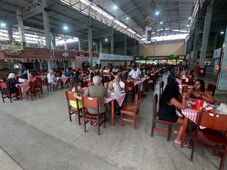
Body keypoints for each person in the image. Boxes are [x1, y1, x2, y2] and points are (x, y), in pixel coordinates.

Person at [159, 79, 186, 145]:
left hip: (163, 113)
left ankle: (177, 130)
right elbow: (183, 107)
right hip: (166, 115)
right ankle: (178, 139)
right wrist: (184, 97)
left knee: (181, 117)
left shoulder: (165, 94)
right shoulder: (171, 99)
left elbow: (177, 105)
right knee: (184, 122)